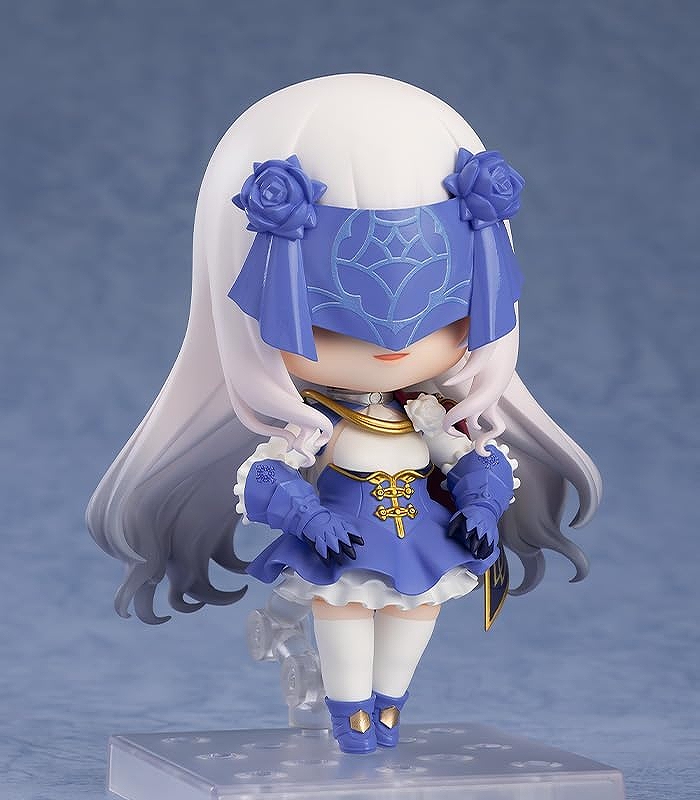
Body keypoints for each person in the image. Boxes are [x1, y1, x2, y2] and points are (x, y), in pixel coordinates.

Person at [87, 74, 601, 755]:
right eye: (328, 328)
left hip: (418, 540)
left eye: (445, 316)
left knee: (413, 622)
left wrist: (480, 505)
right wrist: (309, 516)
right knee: (346, 617)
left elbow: (473, 461)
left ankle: (389, 707)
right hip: (342, 542)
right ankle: (350, 712)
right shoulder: (314, 423)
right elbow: (266, 480)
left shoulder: (425, 410)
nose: (393, 347)